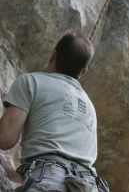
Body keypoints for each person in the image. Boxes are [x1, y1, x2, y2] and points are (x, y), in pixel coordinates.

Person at [0, 32, 98, 192]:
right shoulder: (90, 107)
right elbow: (63, 167)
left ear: (53, 55)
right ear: (83, 72)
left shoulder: (31, 82)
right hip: (89, 186)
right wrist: (12, 172)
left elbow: (5, 139)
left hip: (48, 182)